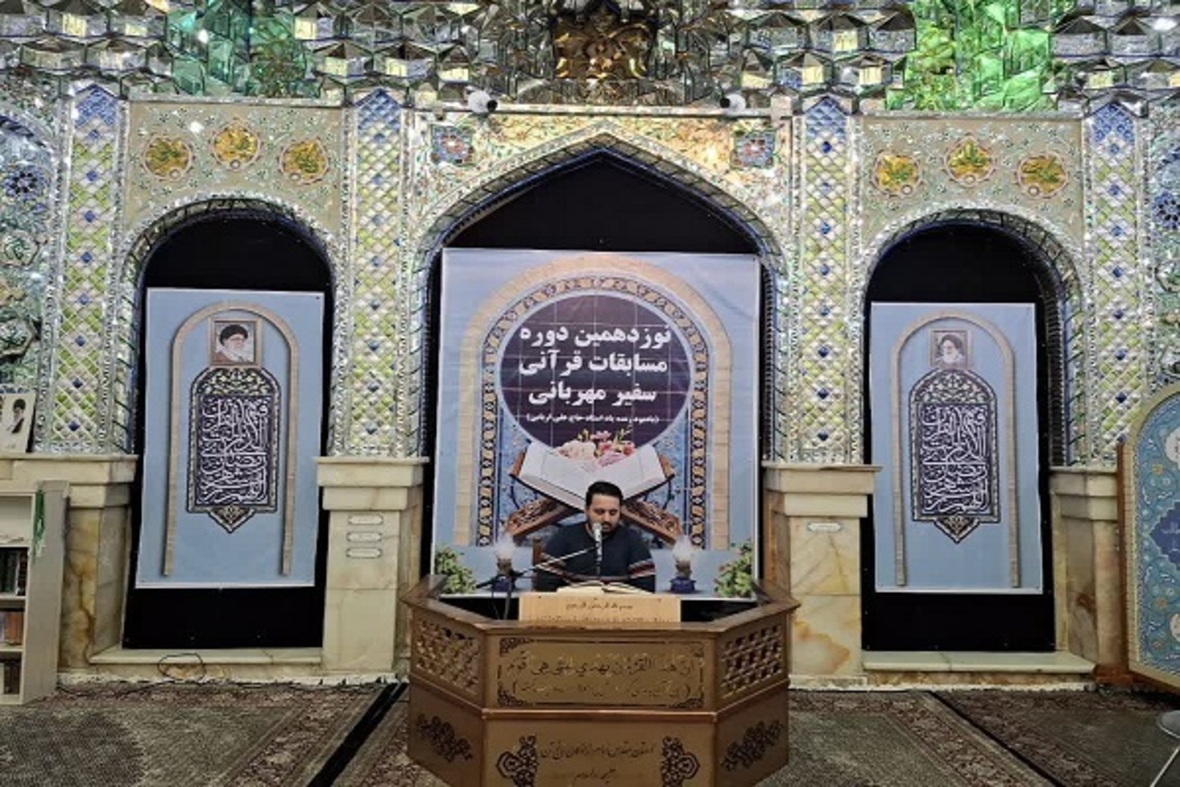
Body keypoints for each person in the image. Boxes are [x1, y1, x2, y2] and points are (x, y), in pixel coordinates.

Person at [532, 480, 656, 592]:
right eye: (600, 512)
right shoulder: (565, 537)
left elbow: (646, 590)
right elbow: (545, 586)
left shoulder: (632, 540)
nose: (606, 519)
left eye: (613, 513)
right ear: (587, 510)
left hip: (620, 608)